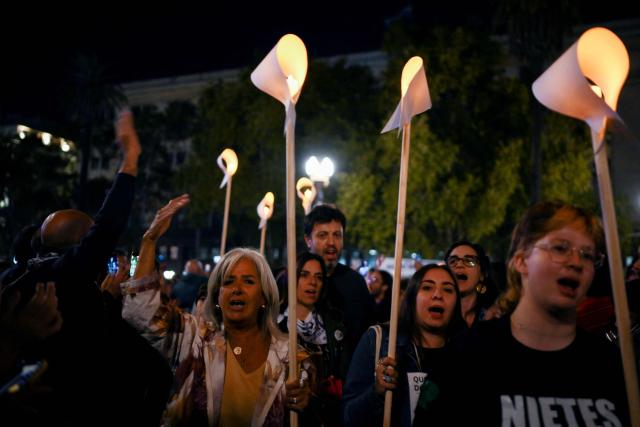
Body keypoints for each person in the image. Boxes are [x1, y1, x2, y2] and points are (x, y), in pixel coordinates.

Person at [414, 201, 630, 426]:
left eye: (587, 255)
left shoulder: (613, 366)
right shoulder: (464, 358)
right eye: (560, 248)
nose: (576, 262)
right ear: (521, 261)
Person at [122, 195, 311, 426]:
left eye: (249, 281)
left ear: (264, 297)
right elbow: (140, 310)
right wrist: (150, 240)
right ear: (217, 296)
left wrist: (304, 398)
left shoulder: (291, 356)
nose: (237, 289)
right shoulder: (195, 340)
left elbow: (313, 405)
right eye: (228, 282)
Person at [342, 264, 464, 427]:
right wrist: (377, 392)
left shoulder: (468, 352)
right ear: (412, 297)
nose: (438, 295)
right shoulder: (378, 340)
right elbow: (348, 417)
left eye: (448, 290)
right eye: (427, 287)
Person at [277, 252, 348, 426]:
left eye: (319, 277)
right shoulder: (274, 325)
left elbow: (345, 378)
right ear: (291, 278)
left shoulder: (334, 328)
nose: (313, 282)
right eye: (304, 275)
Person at [303, 205, 375, 361]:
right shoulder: (292, 280)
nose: (331, 242)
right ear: (308, 240)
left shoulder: (355, 283)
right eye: (323, 235)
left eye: (337, 235)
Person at [444, 240, 498, 327]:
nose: (459, 264)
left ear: (482, 274)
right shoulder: (435, 315)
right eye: (453, 261)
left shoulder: (495, 318)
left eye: (469, 261)